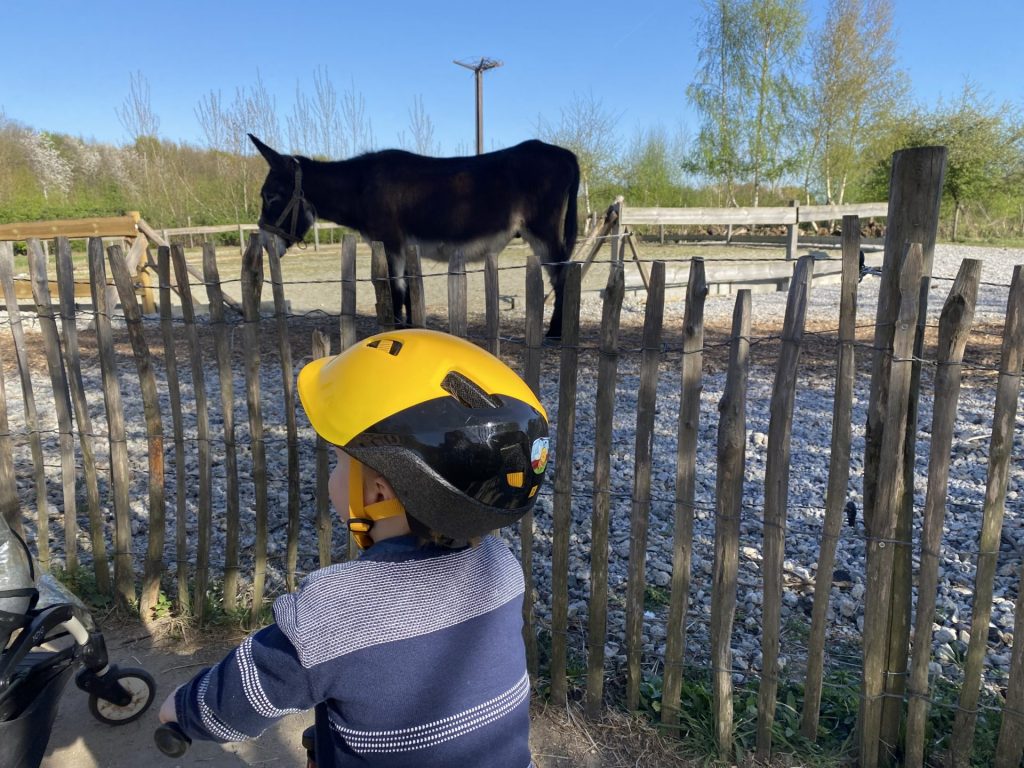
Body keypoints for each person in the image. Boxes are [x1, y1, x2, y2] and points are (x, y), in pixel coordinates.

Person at [158, 328, 550, 768]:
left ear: (378, 493)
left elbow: (239, 698)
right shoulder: (501, 568)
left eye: (340, 462)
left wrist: (185, 710)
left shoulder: (335, 611)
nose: (332, 474)